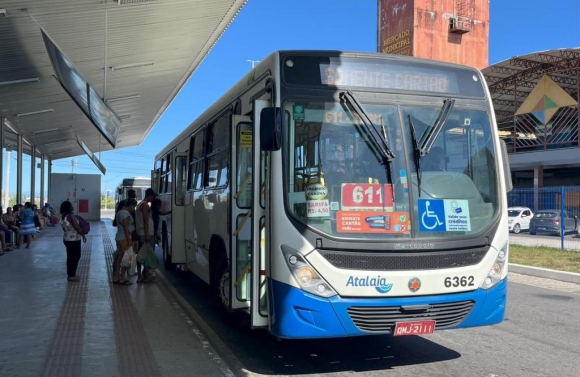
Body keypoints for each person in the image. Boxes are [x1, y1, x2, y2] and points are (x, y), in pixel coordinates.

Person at [60, 200, 87, 282]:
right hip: (74, 239)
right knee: (75, 256)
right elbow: (77, 227)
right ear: (68, 207)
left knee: (70, 257)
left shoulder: (63, 216)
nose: (72, 206)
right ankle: (72, 275)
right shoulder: (71, 216)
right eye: (71, 205)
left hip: (66, 239)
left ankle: (70, 274)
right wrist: (83, 235)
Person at [135, 188, 158, 283]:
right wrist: (147, 234)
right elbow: (145, 221)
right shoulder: (144, 205)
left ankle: (143, 275)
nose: (153, 199)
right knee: (145, 255)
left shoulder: (140, 204)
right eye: (153, 197)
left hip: (142, 233)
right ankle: (143, 275)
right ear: (150, 196)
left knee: (142, 254)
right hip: (145, 234)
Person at [113, 199, 138, 285]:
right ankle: (123, 278)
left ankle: (116, 277)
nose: (134, 209)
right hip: (124, 238)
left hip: (119, 237)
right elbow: (126, 227)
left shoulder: (119, 212)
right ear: (130, 205)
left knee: (120, 258)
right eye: (134, 206)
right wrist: (129, 239)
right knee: (125, 258)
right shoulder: (126, 214)